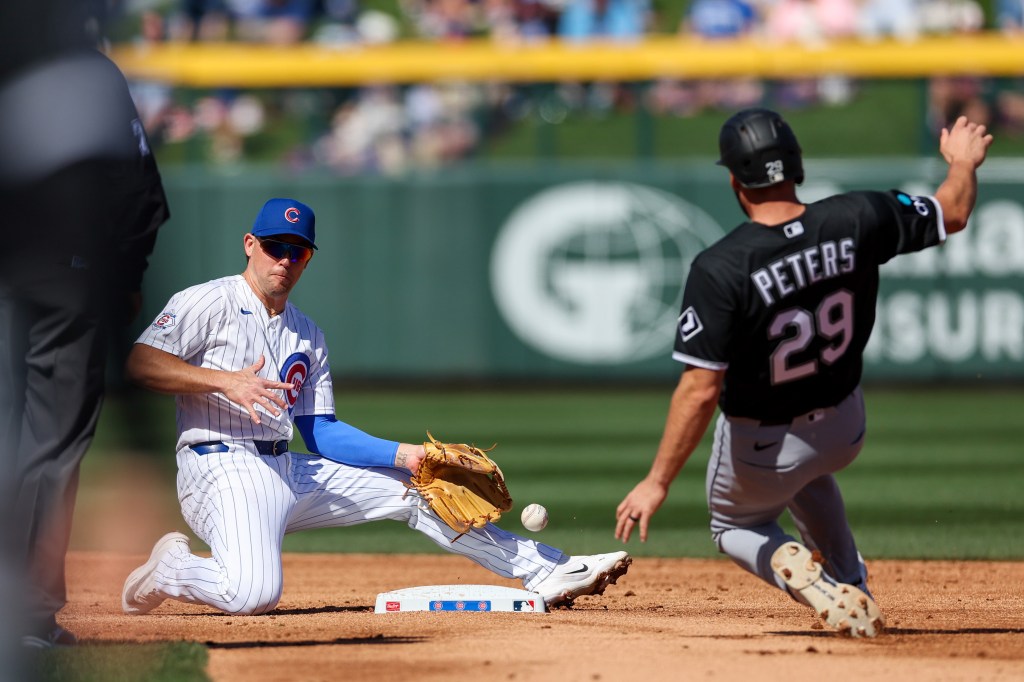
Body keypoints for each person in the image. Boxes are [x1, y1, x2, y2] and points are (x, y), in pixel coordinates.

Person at [120, 197, 631, 616]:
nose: (284, 260)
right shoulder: (207, 302)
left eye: (297, 252)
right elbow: (139, 363)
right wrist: (222, 382)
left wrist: (406, 455)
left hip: (285, 468)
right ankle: (172, 568)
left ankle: (548, 570)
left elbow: (320, 432)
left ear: (308, 258)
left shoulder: (308, 333)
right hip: (220, 466)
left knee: (416, 489)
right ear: (250, 245)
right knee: (251, 595)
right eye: (275, 247)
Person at [614, 108, 992, 637]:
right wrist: (963, 162)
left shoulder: (721, 266)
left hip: (762, 445)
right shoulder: (858, 215)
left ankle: (795, 569)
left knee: (733, 525)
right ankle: (851, 585)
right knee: (807, 474)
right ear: (797, 166)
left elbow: (700, 391)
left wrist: (657, 482)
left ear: (733, 179)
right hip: (844, 428)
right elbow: (952, 211)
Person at [0, 0, 171, 652]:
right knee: (49, 444)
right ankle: (27, 614)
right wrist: (125, 277)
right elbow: (140, 195)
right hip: (68, 281)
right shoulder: (89, 77)